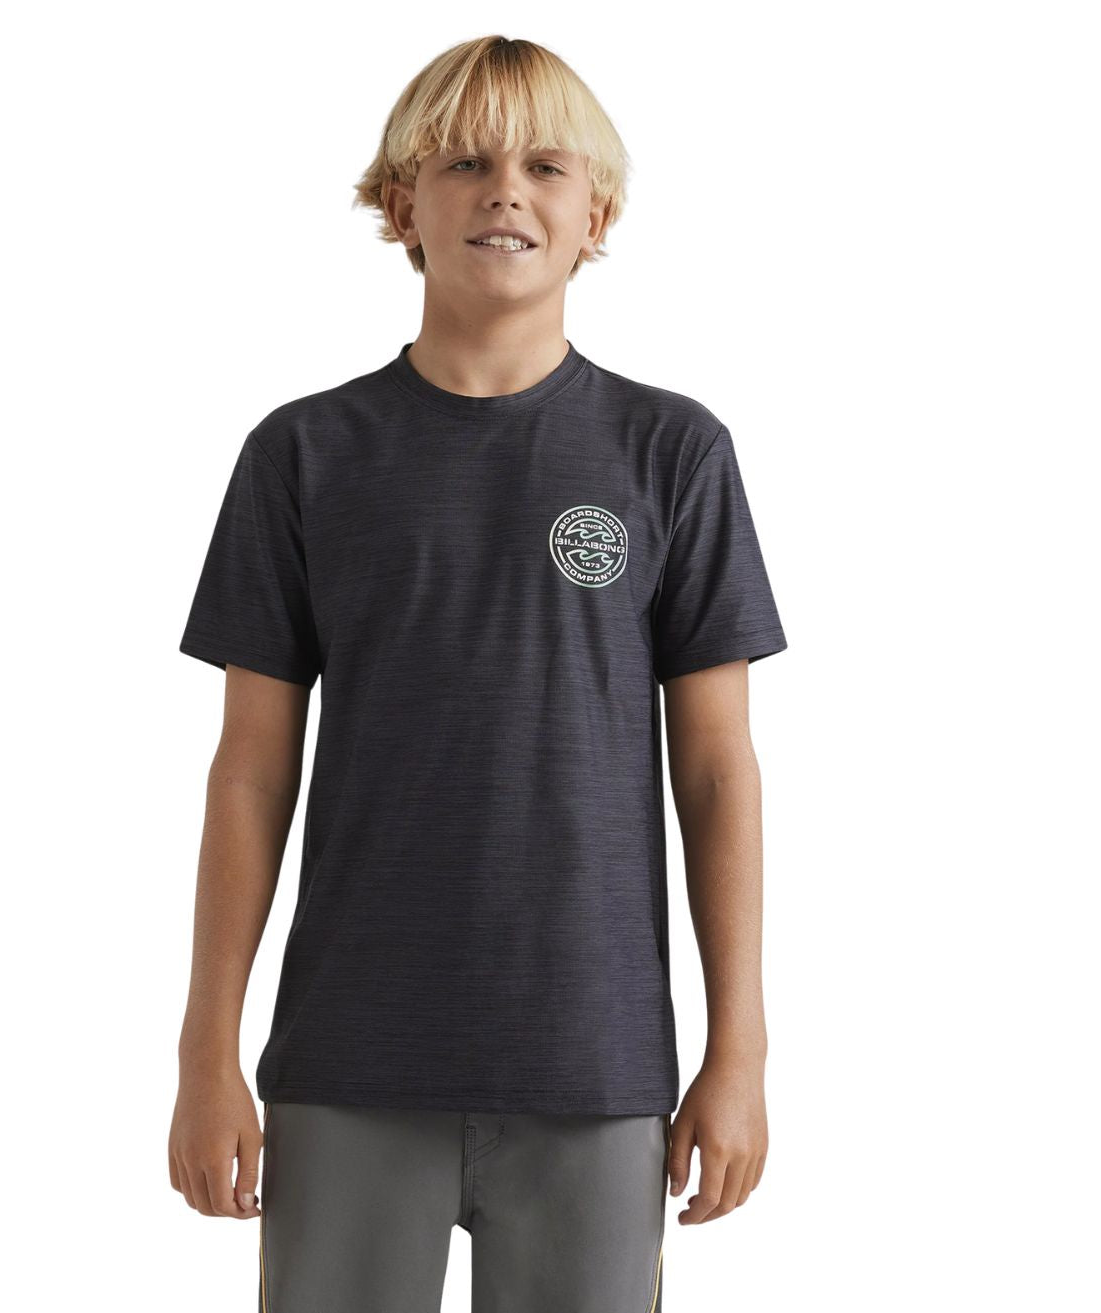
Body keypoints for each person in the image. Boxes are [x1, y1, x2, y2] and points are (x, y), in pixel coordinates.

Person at [168, 34, 788, 1313]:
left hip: (593, 1059)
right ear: (401, 204)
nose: (505, 190)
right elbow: (250, 771)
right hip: (347, 1057)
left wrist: (740, 1049)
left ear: (593, 214)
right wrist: (203, 1049)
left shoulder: (670, 452)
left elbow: (717, 771)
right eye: (464, 163)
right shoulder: (303, 455)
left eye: (544, 166)